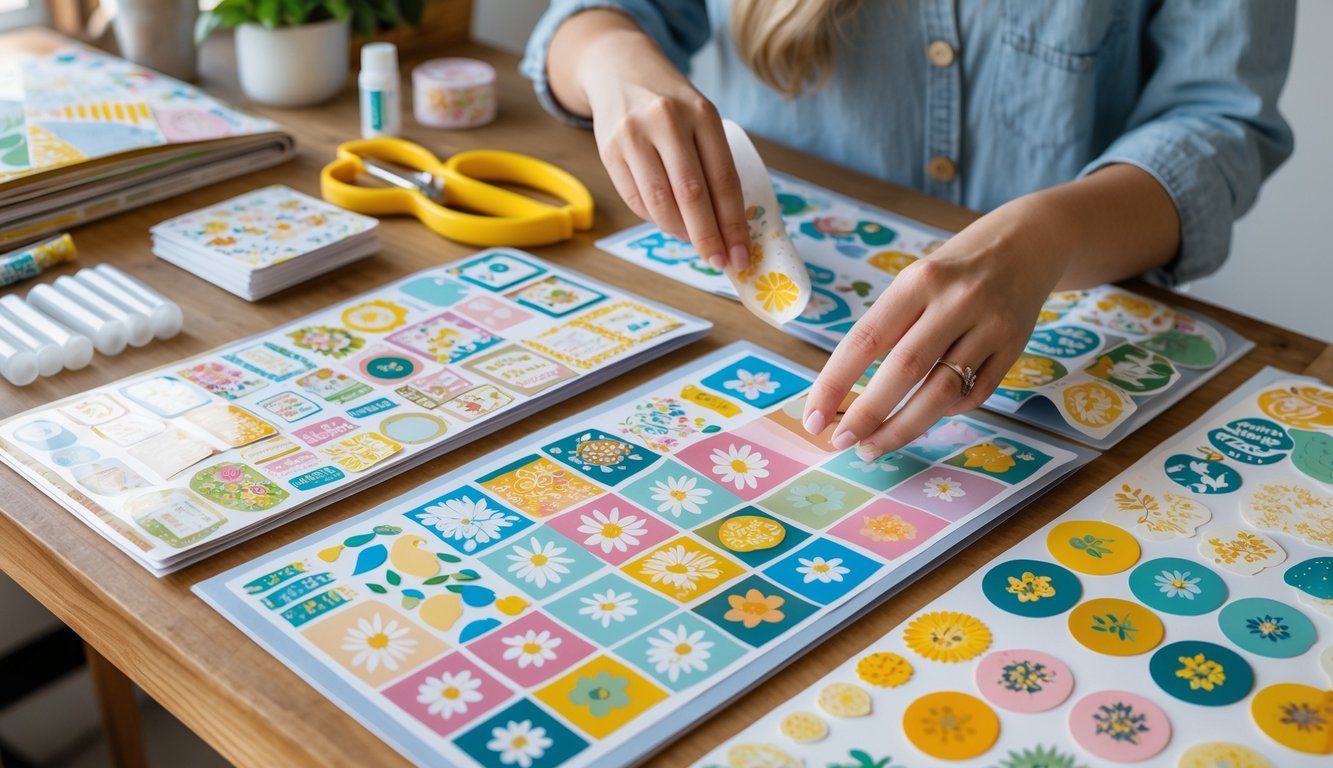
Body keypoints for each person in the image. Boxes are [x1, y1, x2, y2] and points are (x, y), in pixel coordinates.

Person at [522, 0, 1294, 460]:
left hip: (1070, 339)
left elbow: (1220, 127)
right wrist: (611, 60)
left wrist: (1045, 234)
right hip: (745, 331)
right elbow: (589, 20)